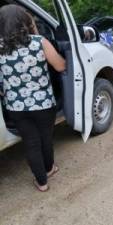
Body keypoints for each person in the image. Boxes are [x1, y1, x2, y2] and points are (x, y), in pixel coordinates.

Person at [0, 5, 66, 191]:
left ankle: (42, 182)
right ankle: (50, 168)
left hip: (16, 106)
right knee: (46, 138)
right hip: (44, 103)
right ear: (25, 22)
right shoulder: (40, 42)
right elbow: (60, 66)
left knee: (31, 142)